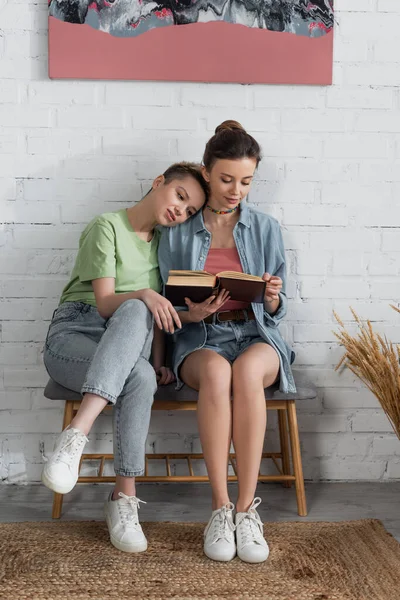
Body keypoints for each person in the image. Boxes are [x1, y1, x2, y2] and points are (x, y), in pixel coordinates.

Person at [41, 162, 207, 553]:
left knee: (146, 374)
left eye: (188, 211)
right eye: (179, 197)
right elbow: (104, 305)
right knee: (135, 310)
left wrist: (165, 352)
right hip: (74, 336)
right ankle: (77, 437)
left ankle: (123, 500)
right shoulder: (107, 227)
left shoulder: (162, 249)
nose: (179, 212)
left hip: (127, 343)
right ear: (158, 182)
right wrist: (147, 296)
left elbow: (156, 315)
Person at [158, 121, 295, 564]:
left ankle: (245, 511)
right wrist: (190, 313)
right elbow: (163, 302)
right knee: (218, 371)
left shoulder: (266, 228)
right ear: (206, 171)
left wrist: (272, 298)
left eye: (246, 181)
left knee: (248, 370)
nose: (236, 190)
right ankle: (218, 509)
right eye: (226, 179)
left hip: (254, 332)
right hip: (200, 336)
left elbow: (279, 308)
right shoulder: (177, 229)